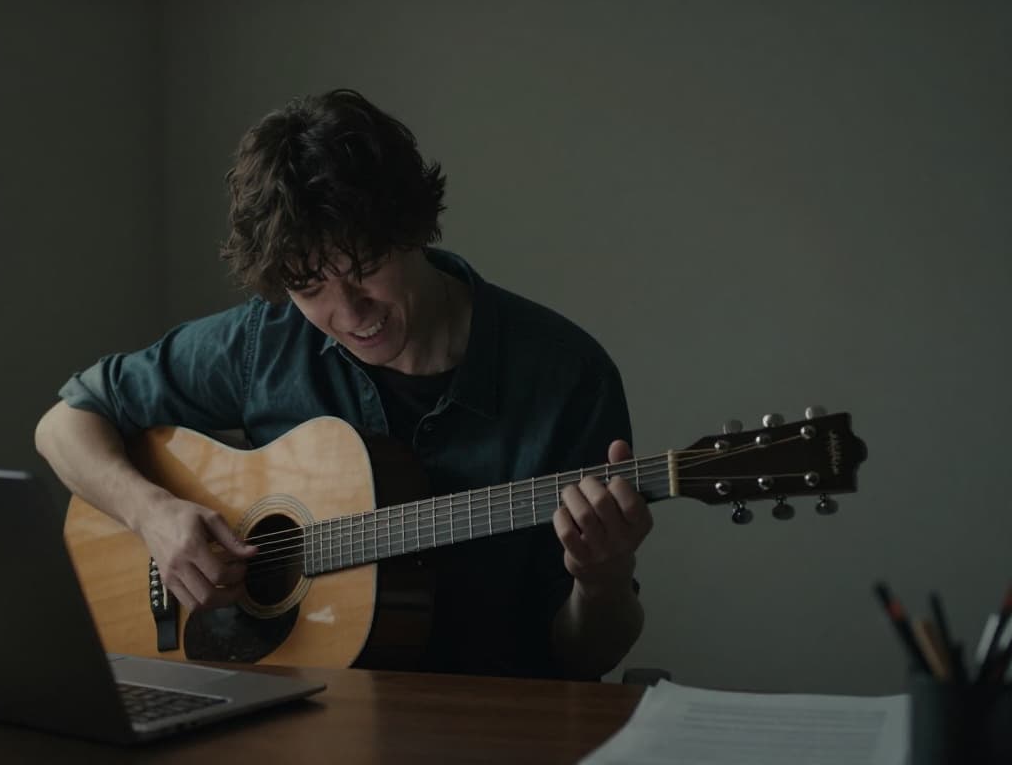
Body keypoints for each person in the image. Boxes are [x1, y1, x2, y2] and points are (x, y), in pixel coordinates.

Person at [35, 89, 652, 680]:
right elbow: (64, 424)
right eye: (310, 290)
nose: (352, 314)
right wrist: (153, 514)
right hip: (298, 719)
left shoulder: (569, 375)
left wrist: (602, 579)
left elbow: (584, 659)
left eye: (365, 270)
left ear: (412, 229)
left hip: (493, 721)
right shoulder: (265, 341)